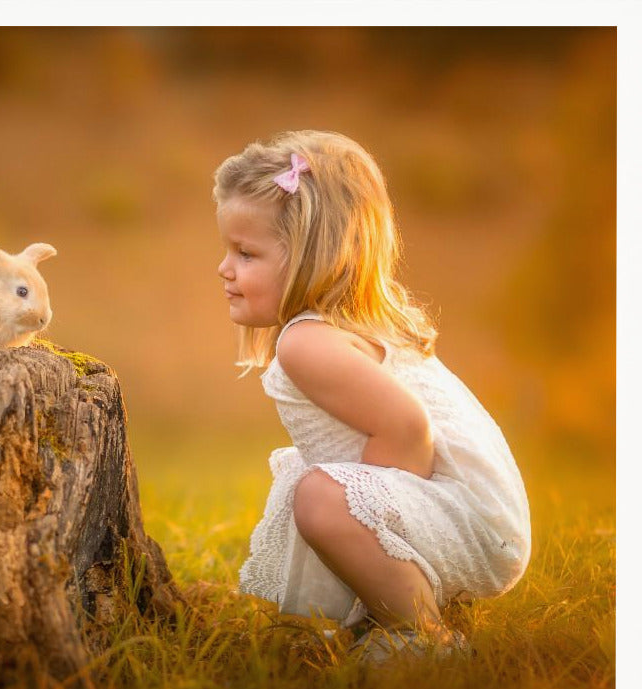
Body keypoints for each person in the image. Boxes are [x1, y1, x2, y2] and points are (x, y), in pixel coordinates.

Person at [214, 130, 531, 661]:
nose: (224, 269)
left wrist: (377, 521)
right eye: (228, 250)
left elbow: (408, 430)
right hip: (483, 518)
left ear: (311, 258)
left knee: (321, 495)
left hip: (469, 521)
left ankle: (423, 635)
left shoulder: (307, 341)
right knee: (320, 486)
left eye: (245, 253)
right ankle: (405, 608)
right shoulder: (342, 325)